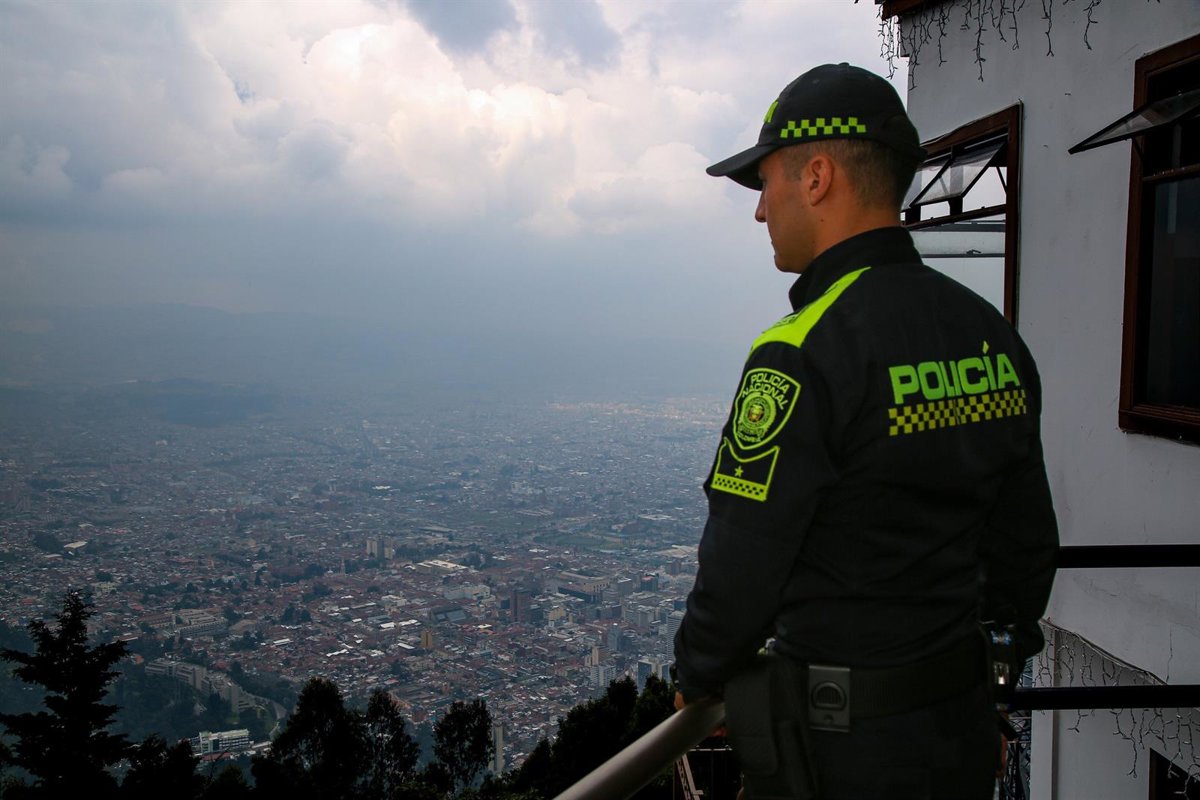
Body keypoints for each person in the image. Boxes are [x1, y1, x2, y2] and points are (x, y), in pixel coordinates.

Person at [671, 63, 1058, 799]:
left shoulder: (802, 350)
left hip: (837, 749)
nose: (761, 212)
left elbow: (742, 562)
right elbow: (1025, 549)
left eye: (766, 184)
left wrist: (697, 674)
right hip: (957, 731)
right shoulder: (991, 336)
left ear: (817, 177)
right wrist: (989, 683)